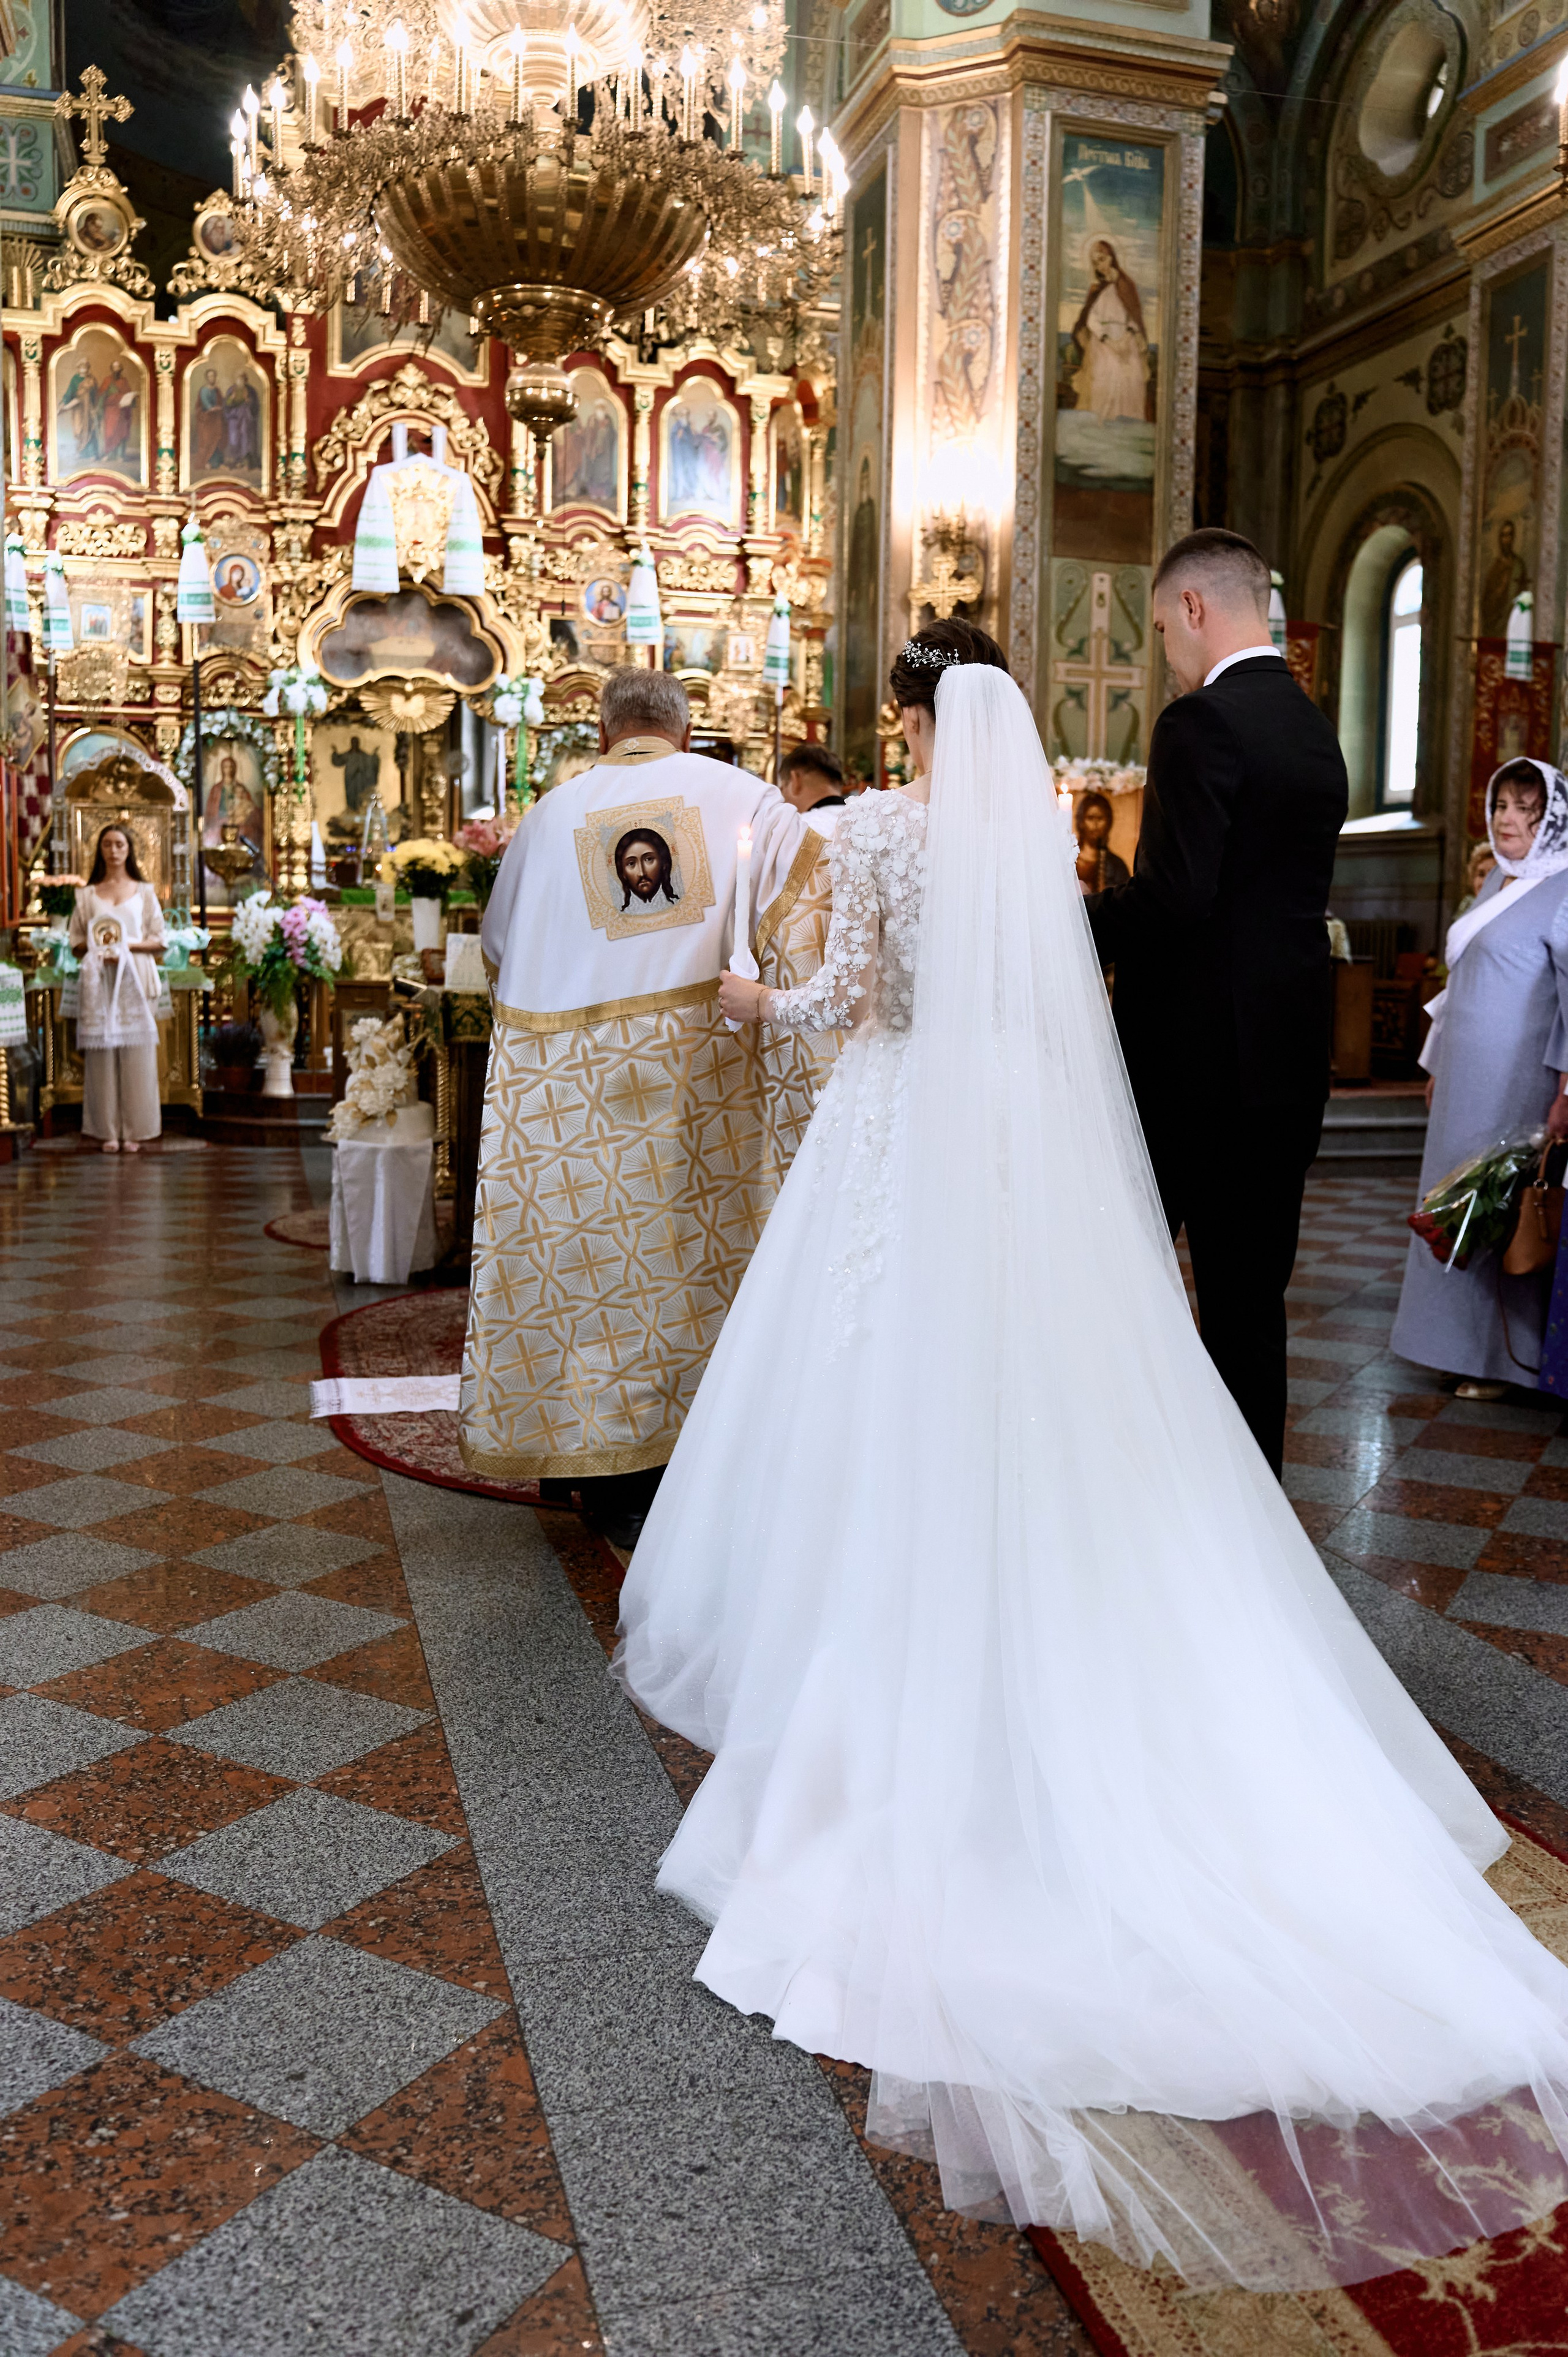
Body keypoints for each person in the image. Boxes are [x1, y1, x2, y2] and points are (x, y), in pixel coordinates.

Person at [616, 624, 1568, 2296]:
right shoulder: (1035, 852)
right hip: (1016, 1151)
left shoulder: (876, 833)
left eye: (894, 718)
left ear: (912, 725)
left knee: (867, 1386)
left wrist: (760, 996)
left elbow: (847, 1004)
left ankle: (866, 1637)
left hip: (895, 1131)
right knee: (1038, 1389)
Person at [459, 665, 834, 1546]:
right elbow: (818, 898)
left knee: (584, 1279)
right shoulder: (741, 797)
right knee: (683, 1280)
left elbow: (501, 947)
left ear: (604, 734)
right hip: (701, 1090)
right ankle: (672, 1471)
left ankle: (577, 1457)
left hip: (570, 1101)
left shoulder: (552, 813)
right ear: (687, 731)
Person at [1085, 527, 1348, 1476]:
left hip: (1191, 1068)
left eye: (1161, 627)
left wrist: (1069, 924)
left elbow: (1175, 897)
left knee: (1125, 1284)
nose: (1167, 648)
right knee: (1249, 1307)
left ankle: (1127, 1491)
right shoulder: (1313, 728)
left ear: (1193, 608)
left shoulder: (1200, 722)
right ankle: (1253, 1530)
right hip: (1285, 1064)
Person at [1392, 758, 1568, 1399]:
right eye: (1501, 806)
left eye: (1527, 808)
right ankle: (1447, 1344)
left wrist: (1566, 1089)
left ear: (1552, 818)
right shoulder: (1496, 877)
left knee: (1497, 1207)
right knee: (1450, 1202)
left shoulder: (1563, 887)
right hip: (1463, 1076)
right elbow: (1462, 977)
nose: (1509, 819)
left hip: (1517, 1079)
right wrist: (1437, 1060)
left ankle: (1500, 1358)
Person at [69, 824, 164, 1153]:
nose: (114, 850)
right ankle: (106, 1128)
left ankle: (136, 1129)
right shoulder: (87, 894)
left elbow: (159, 940)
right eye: (107, 844)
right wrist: (96, 949)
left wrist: (127, 948)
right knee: (103, 1055)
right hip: (101, 977)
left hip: (136, 975)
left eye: (119, 844)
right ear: (100, 850)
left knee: (138, 1053)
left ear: (129, 849)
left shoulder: (145, 892)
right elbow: (76, 941)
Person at [1070, 239, 1148, 425]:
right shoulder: (1097, 289)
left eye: (1103, 259)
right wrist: (1107, 339)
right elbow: (1091, 319)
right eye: (1096, 262)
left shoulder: (1126, 286)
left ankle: (1129, 427)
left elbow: (1133, 316)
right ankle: (1102, 425)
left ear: (1112, 258)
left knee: (1133, 376)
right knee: (1106, 374)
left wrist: (1128, 335)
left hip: (1126, 340)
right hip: (1103, 342)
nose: (1101, 265)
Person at [778, 742, 848, 834]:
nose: (783, 798)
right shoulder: (866, 819)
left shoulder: (799, 830)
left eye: (783, 788)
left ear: (796, 780)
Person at [1072, 788, 1130, 893]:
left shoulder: (1117, 865)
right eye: (1090, 818)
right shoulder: (1070, 860)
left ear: (1108, 822)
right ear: (1081, 822)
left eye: (1100, 819)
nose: (1095, 825)